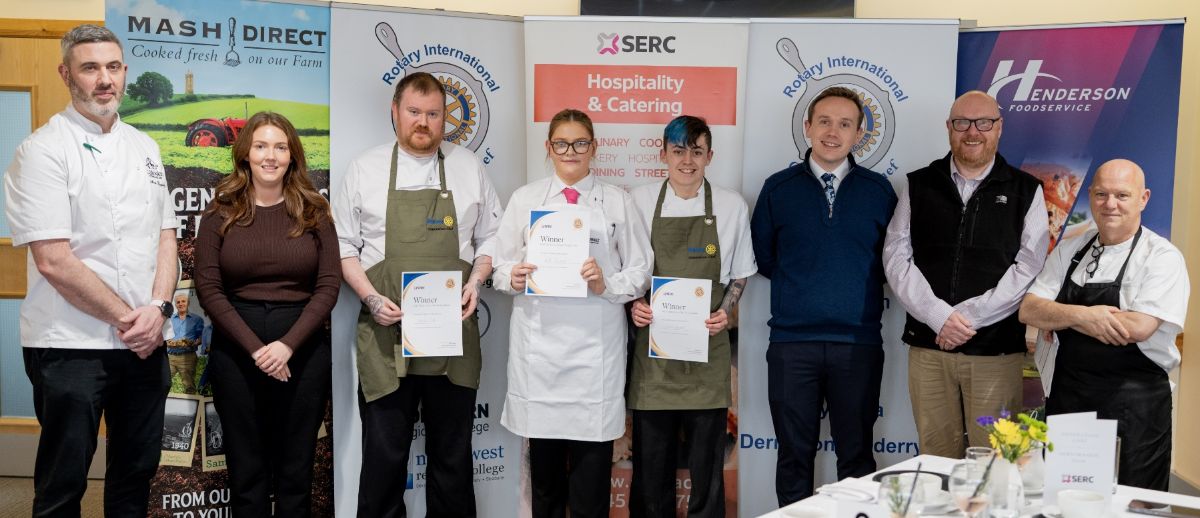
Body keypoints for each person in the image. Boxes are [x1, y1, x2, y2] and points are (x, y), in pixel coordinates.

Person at [2, 24, 177, 516]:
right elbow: (54, 260)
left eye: (114, 66)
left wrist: (159, 309)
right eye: (91, 67)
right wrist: (132, 320)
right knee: (64, 481)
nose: (105, 79)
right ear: (66, 74)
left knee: (135, 473)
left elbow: (166, 236)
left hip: (144, 342)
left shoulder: (145, 147)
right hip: (69, 345)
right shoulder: (41, 151)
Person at [333, 71, 503, 517]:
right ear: (395, 111)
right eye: (414, 112)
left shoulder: (468, 167)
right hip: (387, 338)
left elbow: (493, 238)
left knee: (452, 460)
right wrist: (371, 298)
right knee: (384, 461)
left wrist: (476, 281)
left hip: (454, 339)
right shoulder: (365, 169)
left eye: (433, 114)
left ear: (445, 117)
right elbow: (343, 247)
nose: (423, 122)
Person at [493, 108, 651, 518]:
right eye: (561, 143)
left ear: (594, 147)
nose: (571, 151)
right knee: (544, 486)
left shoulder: (617, 201)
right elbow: (498, 266)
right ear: (548, 148)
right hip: (540, 359)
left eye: (580, 143)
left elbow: (640, 270)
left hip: (593, 362)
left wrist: (606, 283)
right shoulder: (525, 199)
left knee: (591, 488)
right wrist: (514, 276)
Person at [750, 87, 897, 504]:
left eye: (845, 124)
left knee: (856, 459)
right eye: (825, 122)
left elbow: (891, 264)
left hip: (858, 345)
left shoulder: (879, 191)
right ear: (808, 126)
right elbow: (765, 258)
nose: (833, 132)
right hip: (792, 346)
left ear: (859, 134)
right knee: (794, 456)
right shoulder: (778, 189)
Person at [883, 90, 1049, 458]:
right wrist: (939, 318)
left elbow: (1029, 266)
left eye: (984, 123)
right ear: (949, 128)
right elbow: (896, 256)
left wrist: (966, 319)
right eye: (962, 123)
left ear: (999, 128)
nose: (972, 132)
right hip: (930, 348)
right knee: (935, 456)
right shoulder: (919, 184)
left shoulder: (1027, 190)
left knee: (993, 463)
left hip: (996, 352)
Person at [194, 111, 341, 516]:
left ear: (292, 155)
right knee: (247, 474)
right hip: (236, 355)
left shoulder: (316, 212)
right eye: (261, 146)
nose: (270, 156)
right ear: (245, 155)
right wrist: (258, 350)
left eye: (280, 147)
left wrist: (286, 346)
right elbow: (208, 288)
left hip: (304, 353)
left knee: (296, 472)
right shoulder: (219, 213)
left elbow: (329, 286)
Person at [1019, 159, 1188, 491]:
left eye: (1122, 195)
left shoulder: (1162, 257)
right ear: (1092, 196)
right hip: (1069, 401)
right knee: (1064, 501)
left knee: (1134, 505)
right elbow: (1029, 309)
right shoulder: (1071, 249)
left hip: (1135, 409)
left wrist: (1060, 315)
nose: (1110, 204)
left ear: (1144, 198)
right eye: (1101, 194)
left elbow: (1138, 327)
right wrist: (1086, 316)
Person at [627, 115, 756, 517]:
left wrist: (725, 311)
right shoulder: (640, 201)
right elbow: (630, 273)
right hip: (654, 357)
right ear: (663, 153)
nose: (687, 160)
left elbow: (739, 275)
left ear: (709, 156)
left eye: (697, 151)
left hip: (708, 351)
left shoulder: (732, 205)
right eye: (679, 150)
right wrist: (634, 304)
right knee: (651, 471)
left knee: (707, 471)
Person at [167, 291, 204, 393]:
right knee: (163, 382)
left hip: (188, 357)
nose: (181, 304)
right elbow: (166, 336)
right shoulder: (170, 319)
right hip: (170, 357)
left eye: (183, 301)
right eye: (178, 302)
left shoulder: (197, 319)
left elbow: (201, 337)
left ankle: (190, 407)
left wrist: (196, 343)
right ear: (175, 304)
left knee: (189, 386)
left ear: (188, 303)